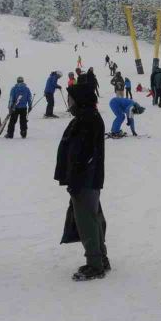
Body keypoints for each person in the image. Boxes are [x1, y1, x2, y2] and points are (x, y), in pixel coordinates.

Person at [56, 83, 109, 281]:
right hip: (88, 178)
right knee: (93, 218)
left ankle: (95, 265)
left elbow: (83, 154)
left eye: (71, 99)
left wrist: (76, 178)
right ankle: (101, 258)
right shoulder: (86, 117)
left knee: (87, 221)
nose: (68, 103)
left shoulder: (87, 120)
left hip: (86, 179)